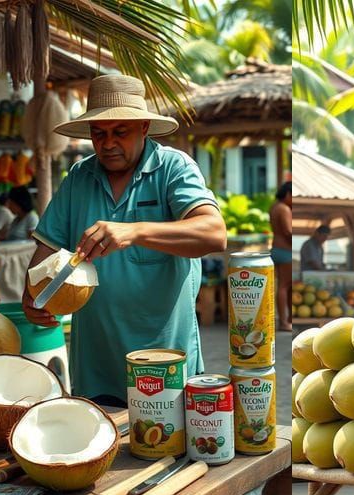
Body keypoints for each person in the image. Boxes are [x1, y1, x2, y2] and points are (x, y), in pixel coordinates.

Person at [23, 75, 227, 404]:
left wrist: (135, 231)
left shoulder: (173, 168)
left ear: (144, 127)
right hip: (96, 367)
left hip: (166, 365)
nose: (107, 144)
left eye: (120, 132)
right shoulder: (79, 177)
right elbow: (46, 249)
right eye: (98, 134)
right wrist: (33, 293)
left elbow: (214, 233)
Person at [271, 182, 293, 331]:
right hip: (285, 250)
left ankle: (287, 320)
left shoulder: (273, 207)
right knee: (284, 286)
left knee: (283, 286)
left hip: (275, 248)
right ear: (288, 194)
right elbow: (287, 231)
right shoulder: (284, 208)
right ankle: (284, 322)